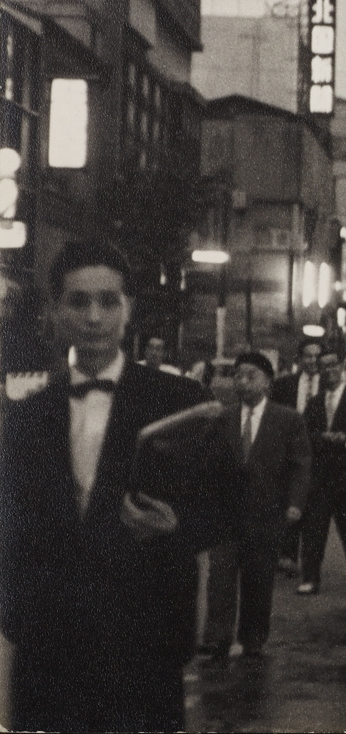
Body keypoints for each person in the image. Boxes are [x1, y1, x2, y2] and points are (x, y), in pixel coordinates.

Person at [0, 238, 236, 731]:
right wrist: (19, 621)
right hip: (51, 651)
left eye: (108, 300)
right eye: (78, 301)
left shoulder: (177, 401)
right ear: (55, 309)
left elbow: (224, 507)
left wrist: (174, 528)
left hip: (143, 645)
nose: (93, 317)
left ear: (129, 308)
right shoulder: (25, 418)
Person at [202, 351, 312, 660]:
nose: (243, 381)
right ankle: (217, 636)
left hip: (267, 513)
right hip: (226, 514)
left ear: (267, 382)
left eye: (251, 375)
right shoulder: (223, 418)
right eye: (238, 375)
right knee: (220, 576)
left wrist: (295, 504)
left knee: (258, 578)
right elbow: (208, 463)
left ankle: (252, 638)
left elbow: (300, 465)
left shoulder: (288, 420)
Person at [298, 344, 346, 594]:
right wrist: (323, 438)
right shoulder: (315, 402)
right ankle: (310, 578)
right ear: (318, 370)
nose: (329, 370)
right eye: (324, 366)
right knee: (314, 529)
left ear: (342, 366)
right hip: (320, 476)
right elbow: (306, 435)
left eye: (333, 364)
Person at [271, 336, 322, 572]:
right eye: (308, 356)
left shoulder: (328, 385)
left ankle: (309, 561)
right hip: (290, 452)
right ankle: (288, 556)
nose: (312, 360)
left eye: (316, 356)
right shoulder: (285, 385)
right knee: (290, 501)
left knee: (313, 509)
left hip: (319, 454)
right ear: (300, 359)